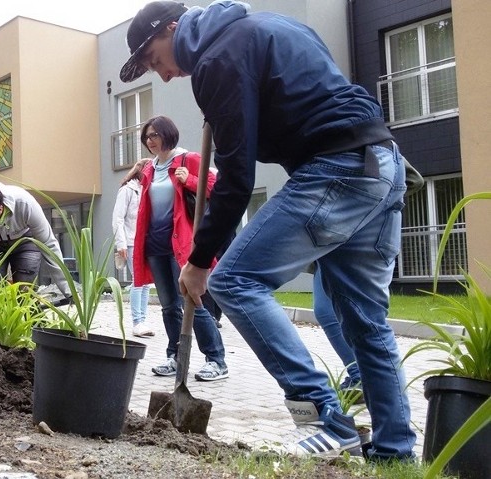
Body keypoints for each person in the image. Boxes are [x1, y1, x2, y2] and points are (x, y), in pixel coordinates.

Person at [120, 1, 415, 460]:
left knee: (234, 281)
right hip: (381, 162)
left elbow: (235, 180)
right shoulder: (265, 28)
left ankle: (324, 417)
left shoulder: (219, 59)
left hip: (337, 167)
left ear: (173, 28)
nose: (160, 74)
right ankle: (396, 456)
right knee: (366, 321)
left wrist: (199, 262)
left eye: (155, 59)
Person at [130, 115, 228, 382]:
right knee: (169, 306)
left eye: (154, 135)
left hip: (180, 245)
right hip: (155, 245)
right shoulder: (150, 168)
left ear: (167, 134)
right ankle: (174, 356)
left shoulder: (188, 160)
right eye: (146, 137)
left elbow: (217, 189)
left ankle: (216, 360)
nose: (150, 141)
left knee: (192, 301)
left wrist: (190, 180)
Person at [0, 181, 70, 299]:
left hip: (25, 242)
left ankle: (28, 314)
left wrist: (67, 289)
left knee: (25, 289)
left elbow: (49, 245)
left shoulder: (25, 204)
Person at [112, 165, 153, 338]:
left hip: (144, 241)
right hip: (130, 241)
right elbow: (117, 218)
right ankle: (137, 322)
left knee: (145, 282)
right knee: (138, 281)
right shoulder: (128, 190)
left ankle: (142, 320)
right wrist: (120, 243)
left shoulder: (145, 189)